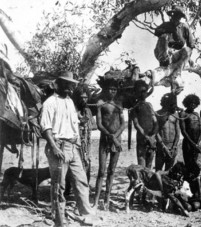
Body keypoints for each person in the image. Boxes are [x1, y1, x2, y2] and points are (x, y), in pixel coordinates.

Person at [39, 71, 97, 225]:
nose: (68, 87)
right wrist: (54, 147)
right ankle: (59, 219)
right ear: (57, 84)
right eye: (65, 84)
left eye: (70, 85)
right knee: (59, 185)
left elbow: (74, 126)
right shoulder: (49, 103)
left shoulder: (70, 102)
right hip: (58, 146)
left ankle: (85, 213)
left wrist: (78, 146)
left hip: (73, 147)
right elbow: (46, 128)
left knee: (81, 180)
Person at [93, 78, 125, 210]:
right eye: (110, 89)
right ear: (105, 90)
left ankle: (106, 200)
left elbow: (123, 124)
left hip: (116, 141)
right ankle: (95, 201)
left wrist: (115, 137)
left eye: (114, 89)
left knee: (112, 171)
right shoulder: (100, 103)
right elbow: (99, 124)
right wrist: (110, 136)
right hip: (104, 140)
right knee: (101, 171)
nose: (112, 91)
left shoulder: (119, 104)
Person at [154, 5, 195, 93]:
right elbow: (156, 32)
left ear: (180, 17)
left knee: (187, 50)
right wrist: (167, 30)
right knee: (164, 37)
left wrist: (189, 58)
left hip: (175, 55)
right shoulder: (166, 25)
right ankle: (164, 61)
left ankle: (176, 75)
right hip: (163, 52)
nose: (175, 18)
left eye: (178, 16)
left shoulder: (184, 27)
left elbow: (191, 45)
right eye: (174, 15)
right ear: (172, 16)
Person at [179, 94, 201, 201]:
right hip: (188, 144)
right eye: (191, 103)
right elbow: (184, 131)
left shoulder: (197, 114)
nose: (193, 105)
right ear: (187, 103)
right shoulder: (183, 114)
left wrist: (198, 143)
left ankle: (194, 191)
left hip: (196, 144)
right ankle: (186, 192)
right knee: (188, 167)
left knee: (195, 167)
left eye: (194, 103)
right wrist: (193, 144)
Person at [131, 80, 159, 168]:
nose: (144, 94)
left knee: (149, 165)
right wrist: (146, 137)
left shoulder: (149, 105)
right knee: (142, 165)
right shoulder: (135, 107)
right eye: (141, 92)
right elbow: (136, 125)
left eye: (145, 92)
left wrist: (153, 135)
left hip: (151, 138)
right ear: (137, 93)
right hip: (142, 139)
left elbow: (155, 122)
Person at [155, 93, 180, 171]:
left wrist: (174, 146)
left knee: (169, 172)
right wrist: (163, 146)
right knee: (158, 171)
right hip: (161, 147)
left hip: (172, 147)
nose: (173, 106)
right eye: (171, 104)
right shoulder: (158, 114)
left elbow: (178, 132)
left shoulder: (175, 115)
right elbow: (156, 132)